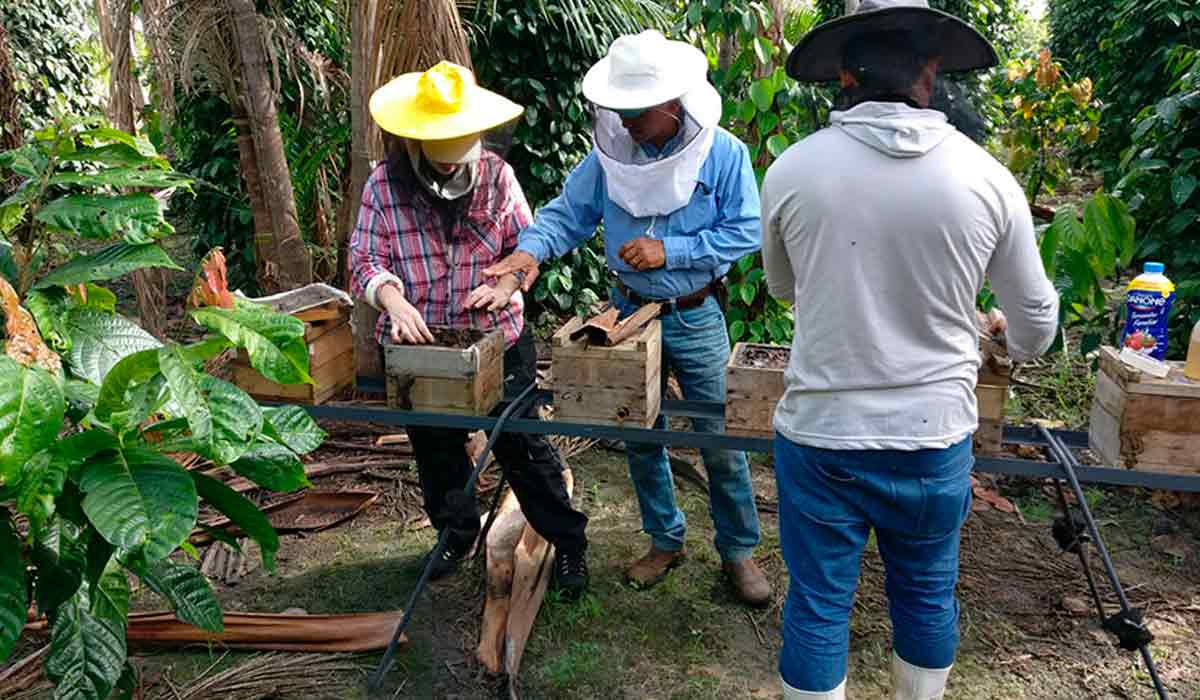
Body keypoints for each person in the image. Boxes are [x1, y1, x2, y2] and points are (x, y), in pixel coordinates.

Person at [761, 2, 1060, 698]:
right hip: (932, 436)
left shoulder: (793, 171)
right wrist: (998, 332)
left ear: (843, 72)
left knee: (817, 606)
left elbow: (782, 288)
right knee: (926, 596)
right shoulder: (987, 178)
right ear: (931, 70)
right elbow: (1038, 328)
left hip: (822, 435)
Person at [485, 30, 770, 607]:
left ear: (672, 104)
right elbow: (568, 213)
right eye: (620, 112)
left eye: (637, 113)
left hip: (694, 313)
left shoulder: (724, 153)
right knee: (636, 432)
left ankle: (738, 551)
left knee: (718, 436)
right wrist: (528, 251)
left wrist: (675, 251)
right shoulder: (609, 155)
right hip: (625, 315)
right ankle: (665, 540)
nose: (627, 123)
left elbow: (747, 229)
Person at [349, 61, 589, 598]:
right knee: (435, 448)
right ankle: (455, 534)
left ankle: (568, 542)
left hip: (499, 337)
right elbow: (363, 257)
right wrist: (391, 297)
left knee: (523, 446)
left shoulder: (499, 178)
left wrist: (508, 285)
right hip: (423, 342)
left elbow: (527, 249)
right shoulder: (384, 184)